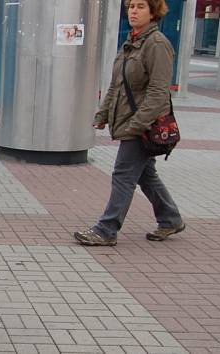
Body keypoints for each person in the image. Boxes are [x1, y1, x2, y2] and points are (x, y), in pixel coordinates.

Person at [74, 0, 184, 246]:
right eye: (131, 6)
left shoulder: (157, 45)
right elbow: (117, 85)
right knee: (146, 175)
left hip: (144, 125)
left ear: (153, 12)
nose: (133, 11)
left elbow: (158, 93)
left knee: (123, 175)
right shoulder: (131, 43)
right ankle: (171, 218)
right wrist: (103, 115)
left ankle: (106, 229)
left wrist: (136, 124)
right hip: (128, 120)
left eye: (141, 6)